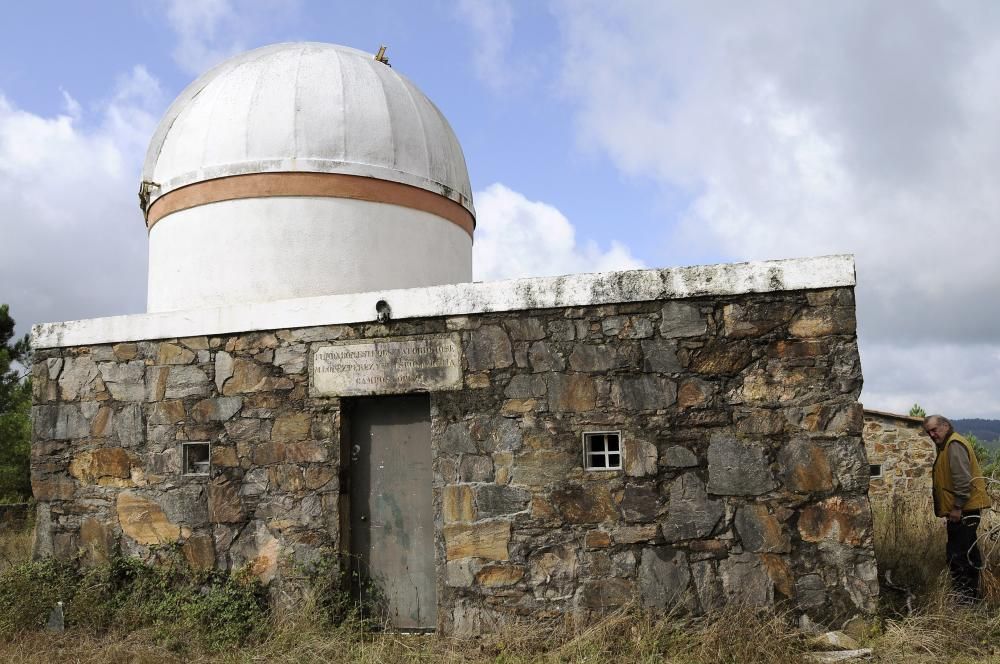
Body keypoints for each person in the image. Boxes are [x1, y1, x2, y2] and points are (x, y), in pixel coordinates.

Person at [923, 414, 991, 603]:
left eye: (934, 430)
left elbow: (962, 480)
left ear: (946, 425)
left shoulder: (953, 445)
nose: (932, 434)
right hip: (963, 510)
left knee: (958, 554)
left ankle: (965, 599)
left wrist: (957, 507)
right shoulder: (947, 445)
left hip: (964, 510)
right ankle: (973, 595)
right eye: (928, 432)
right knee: (968, 552)